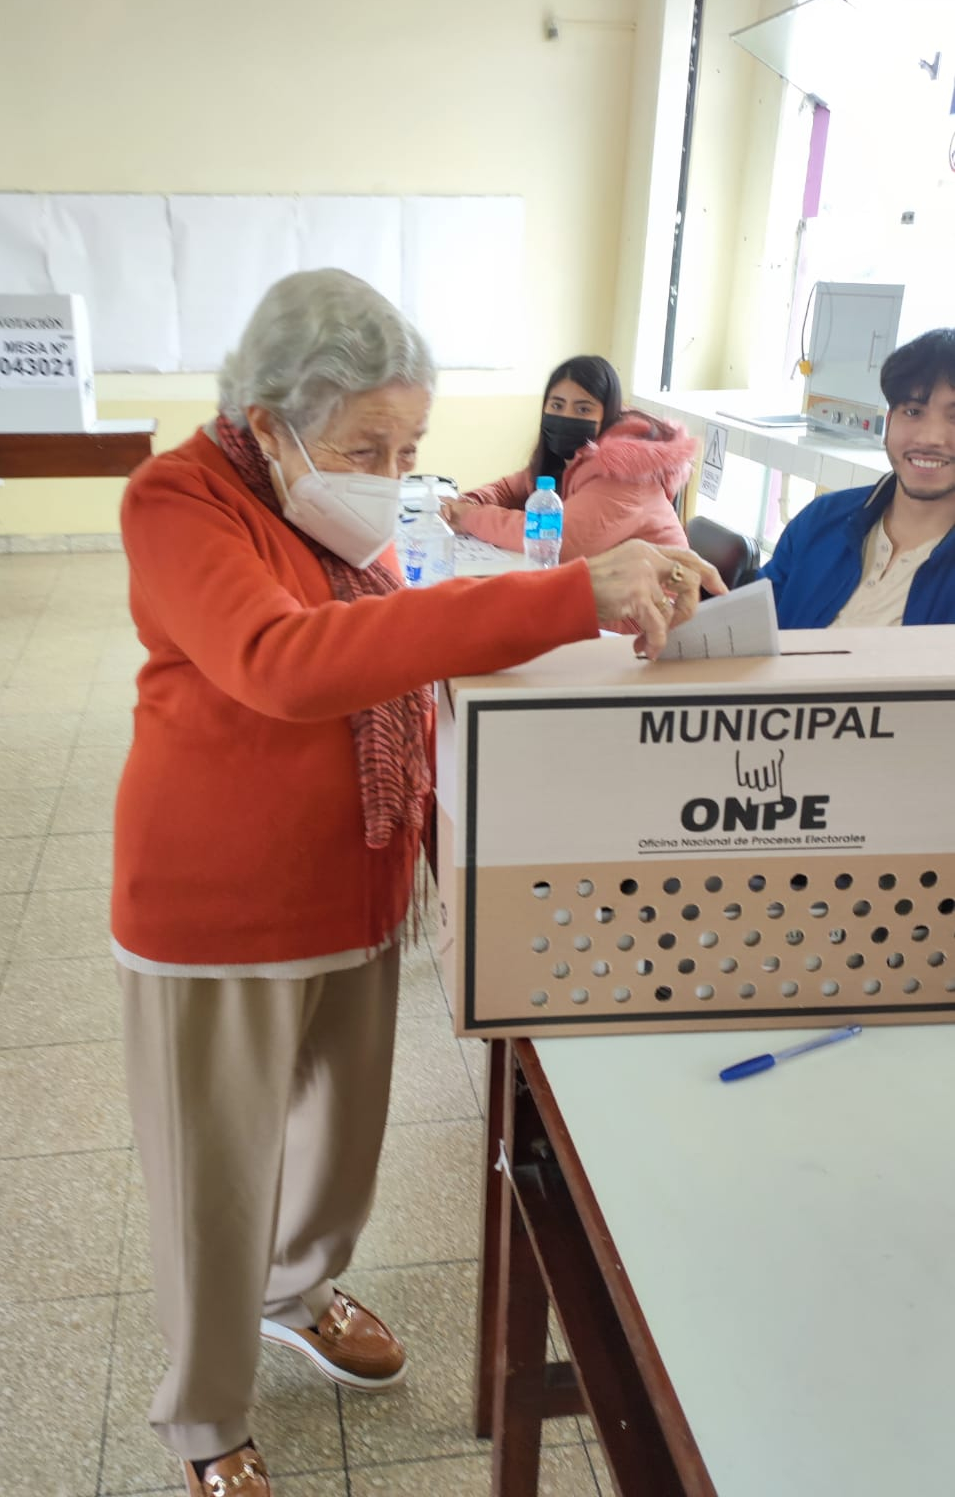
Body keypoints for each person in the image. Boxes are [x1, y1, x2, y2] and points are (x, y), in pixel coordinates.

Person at [111, 270, 722, 1497]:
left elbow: (402, 624)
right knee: (214, 1171)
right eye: (364, 445)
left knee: (338, 1142)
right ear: (272, 423)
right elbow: (285, 662)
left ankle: (300, 1290)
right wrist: (560, 595)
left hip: (363, 870)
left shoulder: (328, 501)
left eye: (409, 444)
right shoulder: (179, 500)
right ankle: (205, 1415)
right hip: (219, 901)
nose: (390, 470)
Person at [762, 328, 955, 627]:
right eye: (913, 411)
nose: (930, 438)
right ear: (889, 422)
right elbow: (747, 626)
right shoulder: (821, 520)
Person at [441, 354, 695, 559]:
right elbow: (510, 488)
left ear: (607, 416)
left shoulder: (628, 473)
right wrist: (467, 502)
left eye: (583, 408)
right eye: (557, 405)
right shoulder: (569, 459)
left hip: (653, 612)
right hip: (613, 595)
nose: (566, 416)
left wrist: (469, 517)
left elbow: (554, 538)